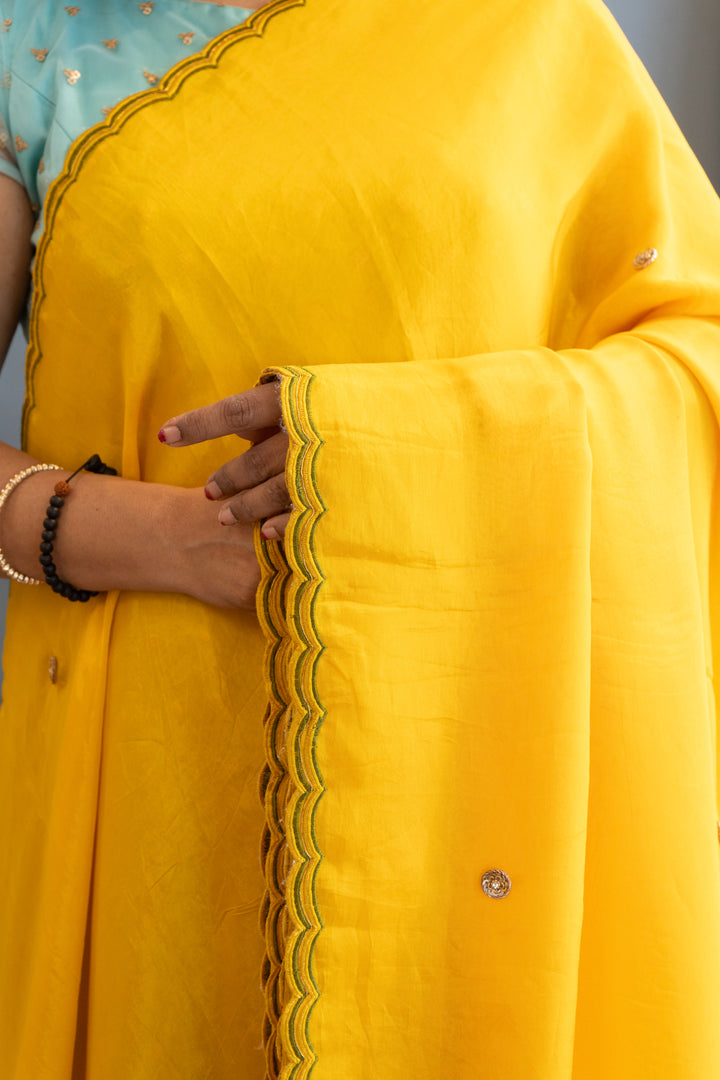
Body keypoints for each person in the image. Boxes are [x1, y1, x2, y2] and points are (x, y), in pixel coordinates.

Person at [1, 0, 720, 1077]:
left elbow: (695, 367)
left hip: (470, 784)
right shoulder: (39, 44)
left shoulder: (531, 29)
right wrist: (160, 535)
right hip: (158, 791)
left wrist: (395, 456)